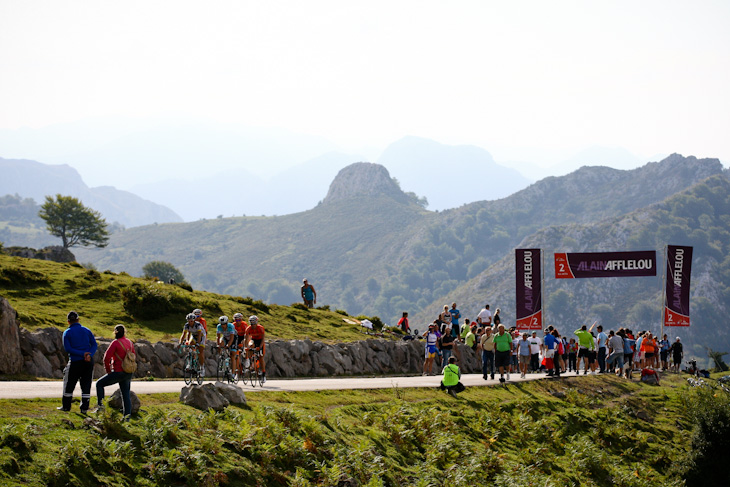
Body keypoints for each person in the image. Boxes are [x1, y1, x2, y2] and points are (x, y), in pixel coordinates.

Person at [93, 325, 135, 419]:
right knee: (125, 394)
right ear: (124, 332)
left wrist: (109, 371)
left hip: (118, 371)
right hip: (128, 371)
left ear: (115, 332)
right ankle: (127, 417)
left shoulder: (115, 343)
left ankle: (101, 408)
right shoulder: (130, 343)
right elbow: (133, 356)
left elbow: (106, 358)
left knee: (99, 384)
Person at [59, 311, 98, 413]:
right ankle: (84, 408)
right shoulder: (87, 331)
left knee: (69, 384)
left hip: (75, 361)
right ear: (78, 319)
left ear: (68, 322)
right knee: (86, 384)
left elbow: (68, 348)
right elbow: (94, 344)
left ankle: (66, 406)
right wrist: (89, 354)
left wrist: (81, 354)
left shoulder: (67, 333)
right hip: (88, 361)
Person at [180, 312, 206, 376]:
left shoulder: (198, 325)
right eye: (189, 321)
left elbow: (199, 335)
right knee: (190, 345)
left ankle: (202, 368)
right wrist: (180, 343)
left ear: (194, 320)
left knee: (200, 351)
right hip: (194, 336)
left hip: (201, 336)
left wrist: (198, 343)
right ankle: (190, 362)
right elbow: (183, 335)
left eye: (191, 321)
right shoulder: (186, 325)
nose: (190, 322)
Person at [245, 315, 267, 383]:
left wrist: (260, 347)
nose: (253, 325)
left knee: (261, 357)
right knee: (250, 346)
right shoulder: (248, 329)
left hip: (260, 341)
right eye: (251, 324)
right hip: (253, 340)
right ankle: (249, 360)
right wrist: (246, 347)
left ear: (256, 323)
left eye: (254, 324)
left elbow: (263, 339)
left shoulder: (260, 328)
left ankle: (263, 374)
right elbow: (247, 339)